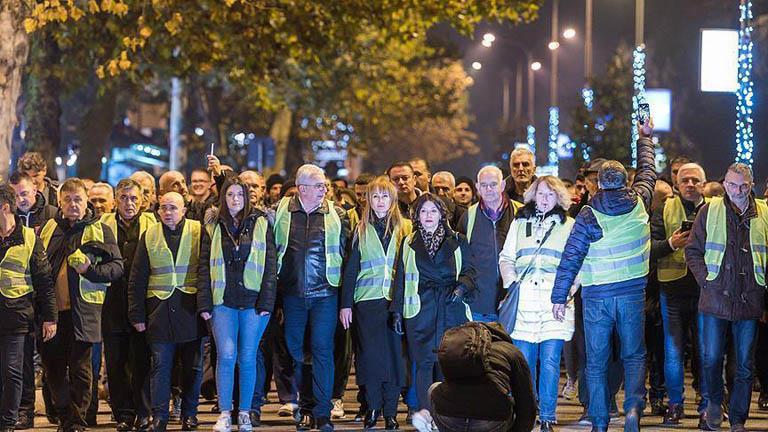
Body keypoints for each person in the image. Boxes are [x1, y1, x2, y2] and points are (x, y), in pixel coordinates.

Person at [550, 120, 657, 432]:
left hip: (597, 298)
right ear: (626, 180)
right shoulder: (640, 201)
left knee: (595, 361)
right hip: (633, 294)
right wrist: (644, 139)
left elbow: (571, 257)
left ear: (598, 183)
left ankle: (598, 420)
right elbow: (649, 172)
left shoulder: (587, 213)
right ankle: (634, 407)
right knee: (634, 354)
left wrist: (559, 296)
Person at [686, 163, 767, 432]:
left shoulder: (764, 213)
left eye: (743, 186)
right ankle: (712, 405)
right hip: (715, 298)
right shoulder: (709, 211)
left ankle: (737, 419)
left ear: (751, 184)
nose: (738, 191)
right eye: (732, 185)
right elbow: (693, 251)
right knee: (710, 359)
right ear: (724, 183)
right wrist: (706, 280)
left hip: (750, 298)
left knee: (744, 364)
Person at [38, 178, 124, 432]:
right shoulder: (49, 228)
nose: (73, 204)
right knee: (52, 368)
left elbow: (117, 267)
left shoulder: (100, 229)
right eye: (68, 200)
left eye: (78, 199)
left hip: (85, 311)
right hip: (53, 313)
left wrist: (90, 270)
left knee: (81, 369)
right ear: (60, 203)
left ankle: (75, 421)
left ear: (86, 201)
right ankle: (67, 413)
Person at [273, 164, 350, 431]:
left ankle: (321, 412)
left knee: (322, 350)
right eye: (319, 186)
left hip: (325, 294)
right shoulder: (281, 211)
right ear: (302, 189)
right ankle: (305, 407)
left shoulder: (337, 214)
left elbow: (347, 257)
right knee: (296, 351)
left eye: (325, 186)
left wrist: (345, 301)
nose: (324, 190)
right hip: (292, 295)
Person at [391, 193, 476, 432]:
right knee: (424, 363)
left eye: (433, 211)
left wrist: (461, 288)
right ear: (416, 215)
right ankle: (426, 415)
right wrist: (396, 311)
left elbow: (470, 271)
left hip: (451, 309)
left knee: (449, 364)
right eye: (424, 211)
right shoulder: (408, 243)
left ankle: (446, 417)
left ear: (442, 214)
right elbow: (400, 278)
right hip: (420, 310)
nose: (428, 216)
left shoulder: (458, 240)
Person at [197, 178, 277, 432]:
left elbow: (271, 266)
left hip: (253, 302)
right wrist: (204, 302)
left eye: (239, 195)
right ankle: (224, 412)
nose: (235, 200)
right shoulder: (211, 225)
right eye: (230, 195)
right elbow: (202, 266)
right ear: (223, 197)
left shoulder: (262, 222)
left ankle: (244, 412)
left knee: (247, 357)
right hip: (223, 300)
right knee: (227, 356)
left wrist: (267, 300)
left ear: (247, 197)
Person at [498, 176, 577, 431]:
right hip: (524, 304)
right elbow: (506, 258)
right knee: (525, 364)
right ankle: (527, 415)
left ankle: (548, 417)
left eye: (550, 194)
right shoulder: (520, 224)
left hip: (555, 304)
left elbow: (578, 266)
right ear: (533, 195)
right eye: (541, 193)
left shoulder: (569, 226)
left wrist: (565, 294)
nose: (545, 199)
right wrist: (512, 284)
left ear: (559, 198)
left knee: (552, 361)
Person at [128, 192, 205, 432]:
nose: (168, 212)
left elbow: (206, 271)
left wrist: (206, 307)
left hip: (191, 310)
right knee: (160, 366)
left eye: (173, 207)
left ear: (184, 210)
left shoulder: (198, 230)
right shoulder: (149, 234)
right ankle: (159, 417)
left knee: (193, 366)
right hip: (159, 311)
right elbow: (137, 277)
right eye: (163, 208)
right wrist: (137, 315)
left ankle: (190, 415)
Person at [340, 176, 409, 431]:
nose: (380, 201)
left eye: (385, 196)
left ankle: (390, 412)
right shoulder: (360, 229)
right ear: (368, 199)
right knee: (368, 358)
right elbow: (351, 269)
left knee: (393, 359)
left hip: (396, 302)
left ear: (393, 200)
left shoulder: (406, 228)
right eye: (375, 196)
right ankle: (372, 408)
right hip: (366, 302)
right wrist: (345, 304)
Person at [650, 163, 708, 425]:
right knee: (672, 352)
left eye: (696, 180)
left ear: (704, 184)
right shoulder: (665, 207)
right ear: (677, 184)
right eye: (685, 180)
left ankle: (708, 404)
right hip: (671, 290)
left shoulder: (715, 209)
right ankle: (675, 404)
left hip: (705, 290)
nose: (690, 184)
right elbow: (649, 249)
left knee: (707, 351)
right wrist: (671, 243)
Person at [100, 179, 156, 431]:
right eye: (124, 198)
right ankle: (123, 413)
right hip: (111, 302)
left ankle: (143, 411)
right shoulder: (103, 225)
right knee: (115, 361)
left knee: (141, 360)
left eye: (134, 198)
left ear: (142, 200)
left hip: (142, 303)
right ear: (115, 200)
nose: (129, 203)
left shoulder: (151, 223)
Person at [0, 183, 57, 432]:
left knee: (13, 369)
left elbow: (45, 282)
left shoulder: (30, 238)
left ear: (4, 207)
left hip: (17, 315)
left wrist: (50, 318)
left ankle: (8, 421)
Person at [429, 322, 536, 432]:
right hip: (492, 422)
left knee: (434, 388)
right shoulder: (510, 351)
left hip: (449, 418)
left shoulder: (460, 348)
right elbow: (525, 399)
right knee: (508, 401)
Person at [457, 166, 520, 323]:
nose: (489, 189)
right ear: (477, 187)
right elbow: (460, 259)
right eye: (484, 185)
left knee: (512, 348)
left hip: (514, 301)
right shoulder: (468, 216)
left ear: (503, 185)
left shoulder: (521, 212)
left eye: (493, 184)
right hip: (479, 304)